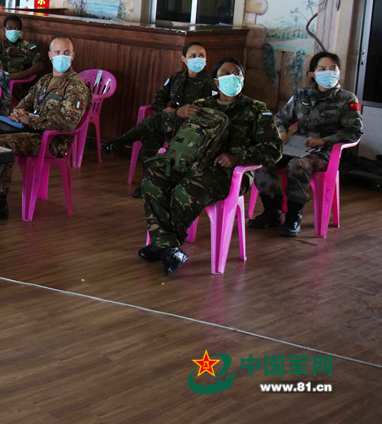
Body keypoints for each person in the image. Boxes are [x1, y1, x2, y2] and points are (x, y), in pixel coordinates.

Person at [138, 58, 282, 275]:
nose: (232, 78)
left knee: (186, 189)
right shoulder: (202, 105)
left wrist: (238, 157)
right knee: (153, 177)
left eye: (236, 73)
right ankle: (168, 246)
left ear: (243, 79)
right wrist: (177, 116)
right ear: (216, 82)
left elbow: (274, 148)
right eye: (225, 74)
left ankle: (163, 244)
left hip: (227, 174)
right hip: (192, 165)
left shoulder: (256, 110)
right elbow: (177, 135)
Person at [0, 36, 91, 222]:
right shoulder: (45, 80)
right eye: (57, 53)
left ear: (73, 55)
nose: (62, 57)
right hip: (29, 131)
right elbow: (26, 102)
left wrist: (29, 119)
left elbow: (67, 123)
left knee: (2, 144)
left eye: (66, 53)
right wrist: (18, 112)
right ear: (50, 55)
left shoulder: (75, 86)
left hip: (53, 141)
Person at [249, 52, 364, 237]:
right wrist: (282, 132)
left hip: (323, 152)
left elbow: (354, 131)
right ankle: (272, 211)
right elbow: (280, 118)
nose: (328, 73)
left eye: (333, 69)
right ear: (312, 73)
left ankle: (293, 217)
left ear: (339, 71)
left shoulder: (347, 100)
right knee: (263, 160)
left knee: (297, 166)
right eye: (322, 69)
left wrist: (324, 141)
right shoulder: (301, 95)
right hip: (296, 145)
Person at [104, 42, 215, 198]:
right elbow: (159, 98)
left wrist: (176, 113)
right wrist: (165, 110)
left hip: (191, 129)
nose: (198, 59)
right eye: (193, 56)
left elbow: (211, 111)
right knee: (150, 138)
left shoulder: (211, 83)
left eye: (202, 56)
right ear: (184, 59)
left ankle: (119, 141)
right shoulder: (176, 78)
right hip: (169, 123)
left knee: (157, 120)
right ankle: (149, 184)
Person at [0, 14, 47, 113]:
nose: (13, 31)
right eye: (9, 28)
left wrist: (19, 75)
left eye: (16, 28)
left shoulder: (28, 46)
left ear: (20, 31)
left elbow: (41, 65)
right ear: (4, 30)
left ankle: (3, 116)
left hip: (18, 85)